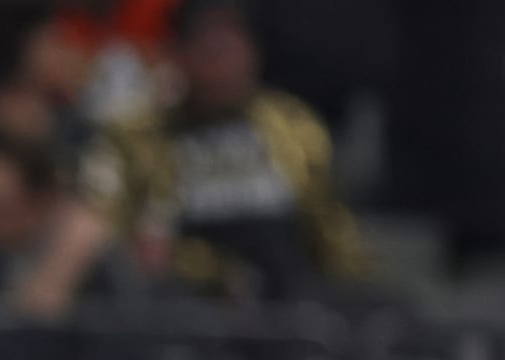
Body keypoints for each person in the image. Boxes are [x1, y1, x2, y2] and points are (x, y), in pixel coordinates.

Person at [73, 0, 367, 302]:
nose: (221, 68)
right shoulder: (138, 139)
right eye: (208, 53)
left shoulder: (294, 128)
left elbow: (330, 228)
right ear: (179, 56)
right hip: (185, 309)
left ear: (254, 54)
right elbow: (113, 238)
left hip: (290, 305)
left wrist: (354, 290)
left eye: (232, 52)